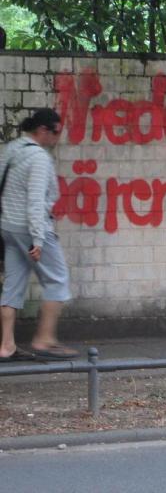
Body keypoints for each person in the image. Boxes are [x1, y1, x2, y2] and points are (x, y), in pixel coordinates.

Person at [0, 108, 77, 361]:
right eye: (56, 131)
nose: (57, 137)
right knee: (57, 280)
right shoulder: (39, 159)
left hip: (9, 227)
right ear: (43, 130)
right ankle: (44, 340)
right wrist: (38, 239)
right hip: (32, 228)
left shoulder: (11, 149)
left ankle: (6, 346)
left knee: (12, 285)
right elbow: (35, 201)